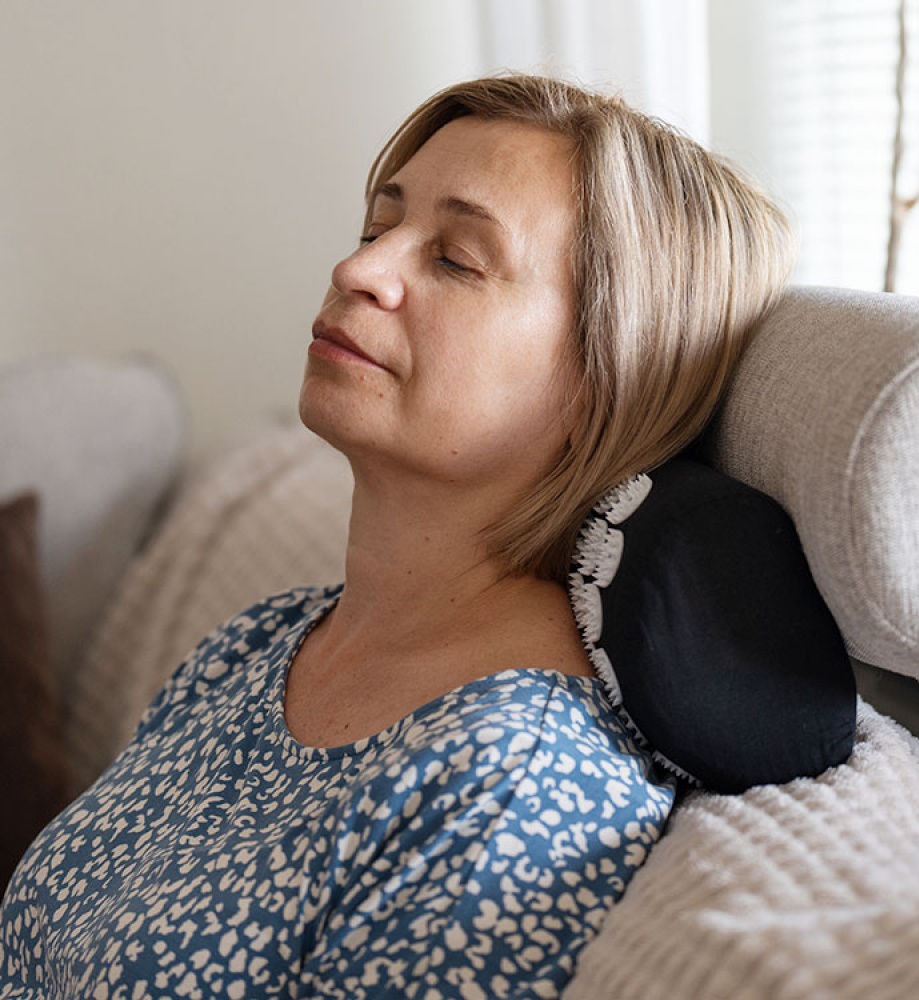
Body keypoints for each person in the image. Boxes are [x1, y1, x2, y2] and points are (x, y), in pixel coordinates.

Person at [0, 74, 794, 998]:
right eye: (378, 229)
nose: (357, 270)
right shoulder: (260, 645)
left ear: (606, 377)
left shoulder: (513, 783)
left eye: (456, 259)